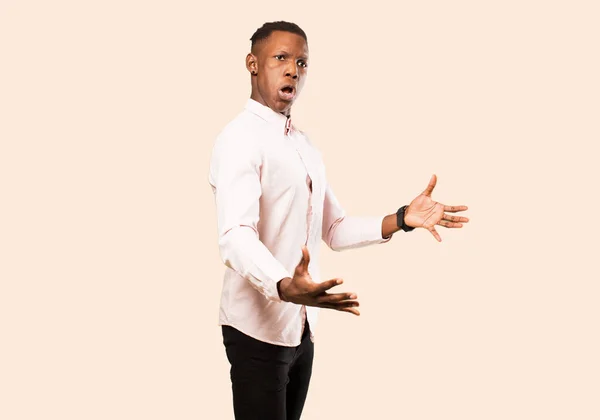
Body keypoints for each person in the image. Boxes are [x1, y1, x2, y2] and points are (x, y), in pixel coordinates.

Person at [208, 21, 469, 420]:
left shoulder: (305, 146)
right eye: (281, 58)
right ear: (253, 64)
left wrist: (400, 219)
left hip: (301, 328)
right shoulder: (238, 139)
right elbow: (235, 235)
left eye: (302, 62)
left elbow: (334, 229)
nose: (293, 69)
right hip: (255, 333)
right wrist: (281, 284)